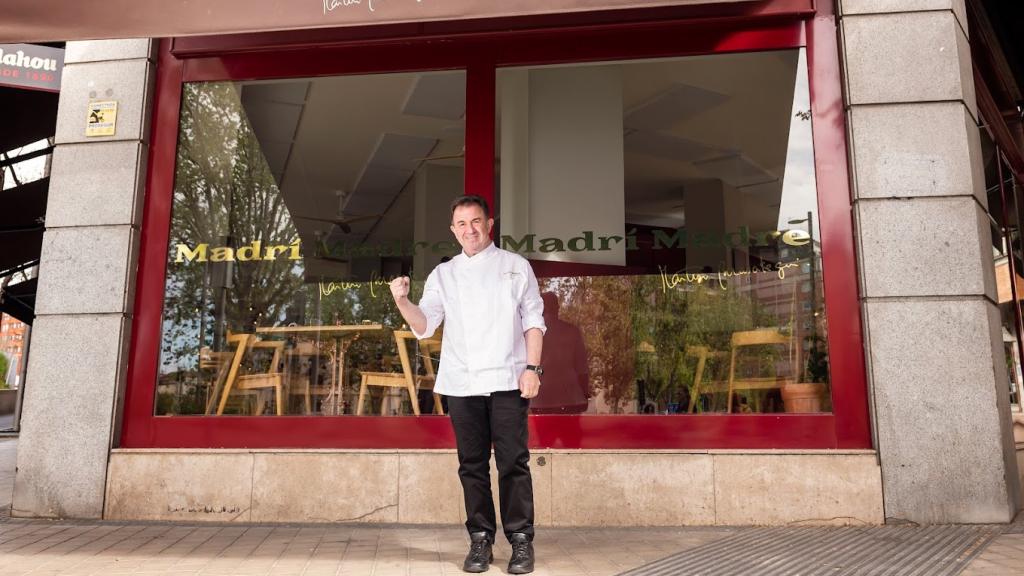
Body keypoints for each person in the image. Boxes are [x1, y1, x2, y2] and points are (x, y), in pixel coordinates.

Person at [388, 195, 545, 574]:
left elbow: (533, 322)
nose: (469, 229)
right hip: (462, 382)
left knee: (513, 463)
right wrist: (402, 300)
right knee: (471, 465)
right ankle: (480, 539)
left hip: (508, 378)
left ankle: (521, 541)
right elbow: (424, 327)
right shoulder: (444, 274)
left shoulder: (515, 266)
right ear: (453, 231)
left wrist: (532, 369)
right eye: (461, 224)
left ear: (489, 224)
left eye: (476, 221)